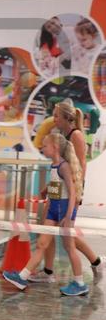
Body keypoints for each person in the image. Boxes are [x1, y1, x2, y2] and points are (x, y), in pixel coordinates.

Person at [3, 132, 89, 297]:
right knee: (42, 244)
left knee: (69, 247)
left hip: (64, 210)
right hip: (53, 210)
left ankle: (80, 283)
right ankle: (22, 277)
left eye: (44, 145)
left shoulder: (64, 166)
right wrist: (46, 190)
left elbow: (72, 193)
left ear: (55, 147)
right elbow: (56, 184)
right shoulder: (54, 165)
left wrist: (68, 217)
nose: (42, 148)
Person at [30, 99, 105, 282]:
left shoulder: (76, 135)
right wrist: (48, 188)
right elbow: (60, 169)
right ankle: (48, 271)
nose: (53, 118)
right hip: (59, 189)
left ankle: (94, 262)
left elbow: (81, 166)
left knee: (66, 233)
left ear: (66, 118)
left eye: (56, 115)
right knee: (49, 228)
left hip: (70, 191)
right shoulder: (62, 136)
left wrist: (76, 194)